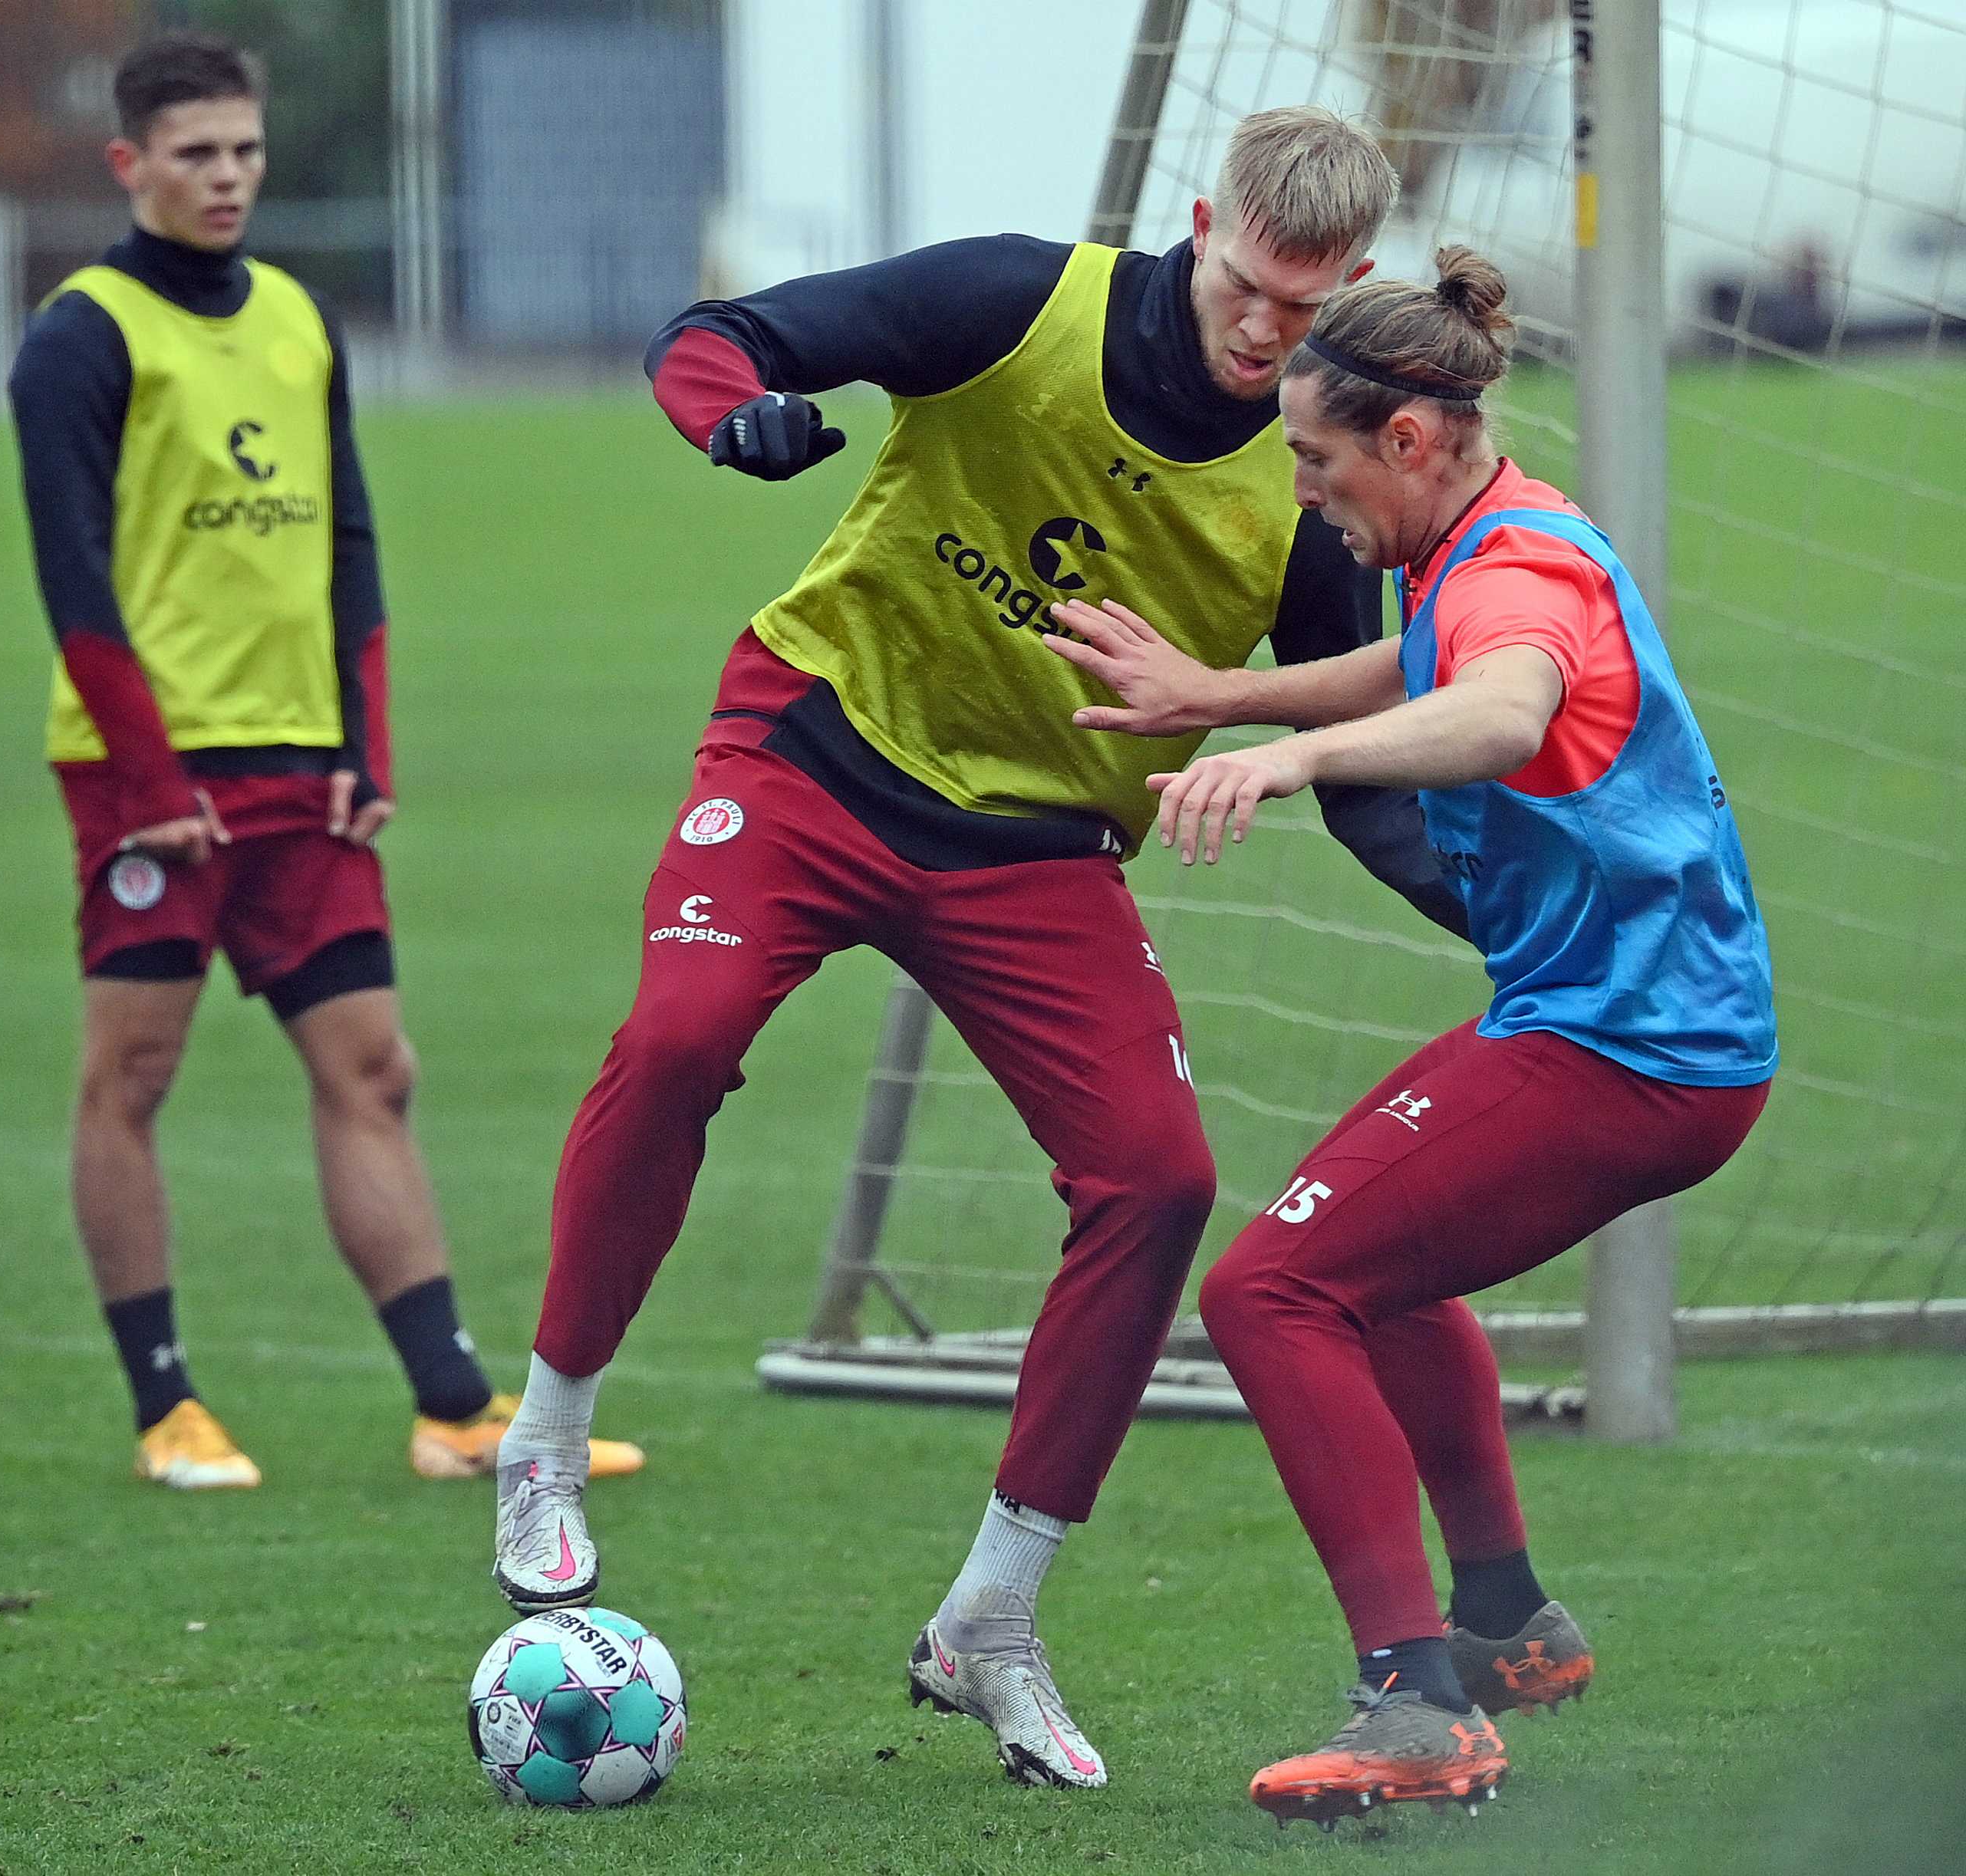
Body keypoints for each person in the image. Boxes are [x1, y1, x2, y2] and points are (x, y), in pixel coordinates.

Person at [489, 108, 1465, 1789]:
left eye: (1305, 312)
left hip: (1033, 848)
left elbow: (1349, 766)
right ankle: (547, 1436)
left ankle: (994, 1616)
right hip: (813, 749)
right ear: (1199, 220)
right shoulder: (1020, 305)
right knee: (677, 1037)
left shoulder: (1308, 493)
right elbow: (715, 339)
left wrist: (1504, 899)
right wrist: (743, 425)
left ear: (1352, 286)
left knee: (1157, 1176)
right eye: (1245, 285)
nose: (1264, 331)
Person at [1045, 246, 1776, 1824]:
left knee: (1273, 1287)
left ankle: (1416, 1703)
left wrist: (1295, 764)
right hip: (1627, 1023)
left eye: (1315, 460)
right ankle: (1508, 1623)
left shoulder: (1511, 579)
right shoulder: (1500, 530)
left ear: (1412, 443)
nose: (1301, 492)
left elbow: (1498, 706)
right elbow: (1426, 655)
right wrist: (1221, 697)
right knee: (1366, 1267)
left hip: (1630, 1047)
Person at [7, 31, 641, 1493]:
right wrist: (153, 773)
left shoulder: (295, 315)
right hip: (143, 764)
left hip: (306, 762)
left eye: (244, 150)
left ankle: (453, 1405)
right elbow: (73, 578)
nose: (227, 177)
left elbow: (348, 539)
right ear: (131, 165)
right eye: (195, 155)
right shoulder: (81, 334)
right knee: (135, 1071)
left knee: (372, 1064)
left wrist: (369, 738)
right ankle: (166, 1402)